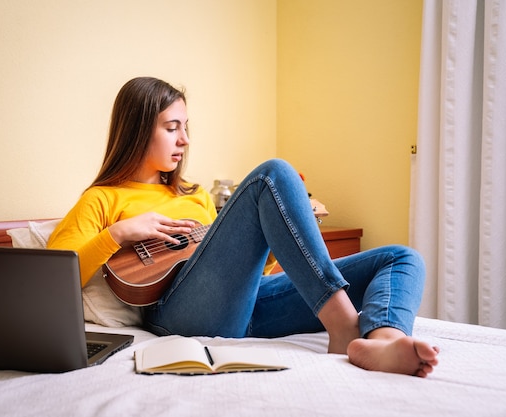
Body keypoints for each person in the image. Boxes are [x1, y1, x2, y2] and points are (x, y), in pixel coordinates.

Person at [48, 76, 439, 377]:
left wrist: (280, 233)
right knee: (273, 174)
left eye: (186, 127)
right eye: (172, 127)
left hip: (246, 307)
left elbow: (245, 270)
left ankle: (384, 341)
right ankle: (343, 327)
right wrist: (118, 233)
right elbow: (52, 277)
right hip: (177, 314)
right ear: (136, 130)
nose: (185, 139)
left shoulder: (196, 196)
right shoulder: (102, 198)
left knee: (400, 257)